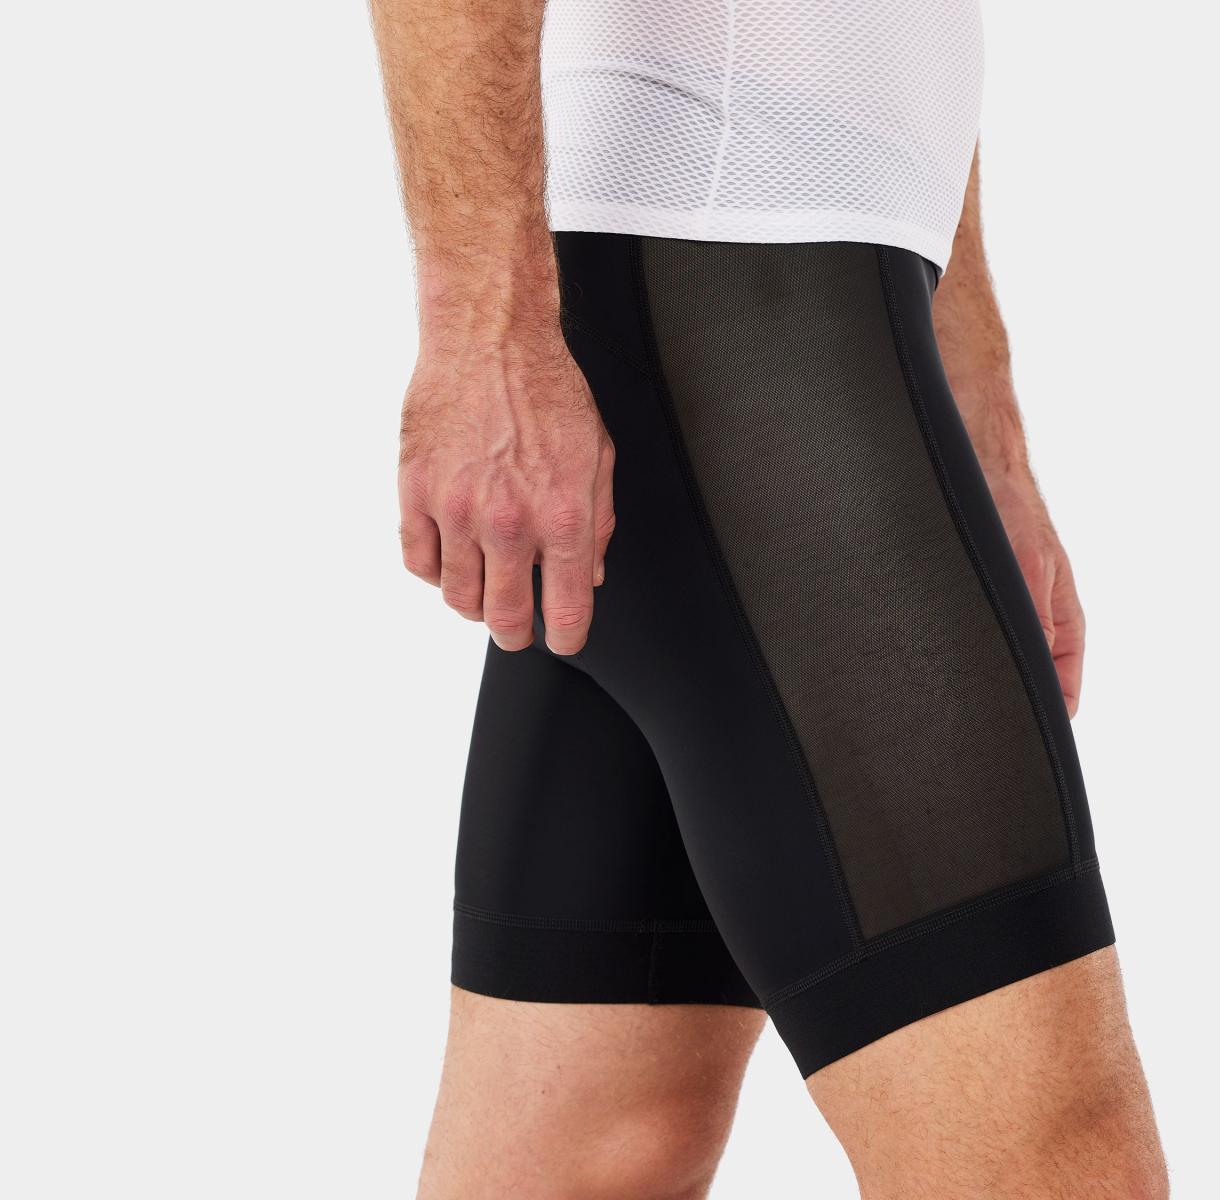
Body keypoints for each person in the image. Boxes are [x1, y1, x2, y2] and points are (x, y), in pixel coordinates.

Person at [370, 0, 1167, 1195]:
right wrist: (482, 328)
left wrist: (972, 382)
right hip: (734, 309)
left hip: (769, 292)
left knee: (596, 1151)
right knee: (1051, 1161)